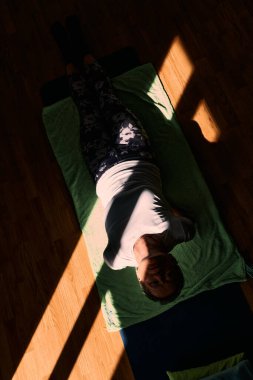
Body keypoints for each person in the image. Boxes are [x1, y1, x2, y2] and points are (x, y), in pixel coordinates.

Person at [51, 16, 196, 303]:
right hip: (138, 154)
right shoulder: (177, 234)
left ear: (140, 282)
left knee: (87, 108)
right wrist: (168, 207)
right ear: (175, 265)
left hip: (103, 169)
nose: (159, 275)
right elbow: (189, 224)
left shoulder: (116, 258)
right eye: (167, 277)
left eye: (154, 283)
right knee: (109, 99)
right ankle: (81, 46)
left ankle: (67, 55)